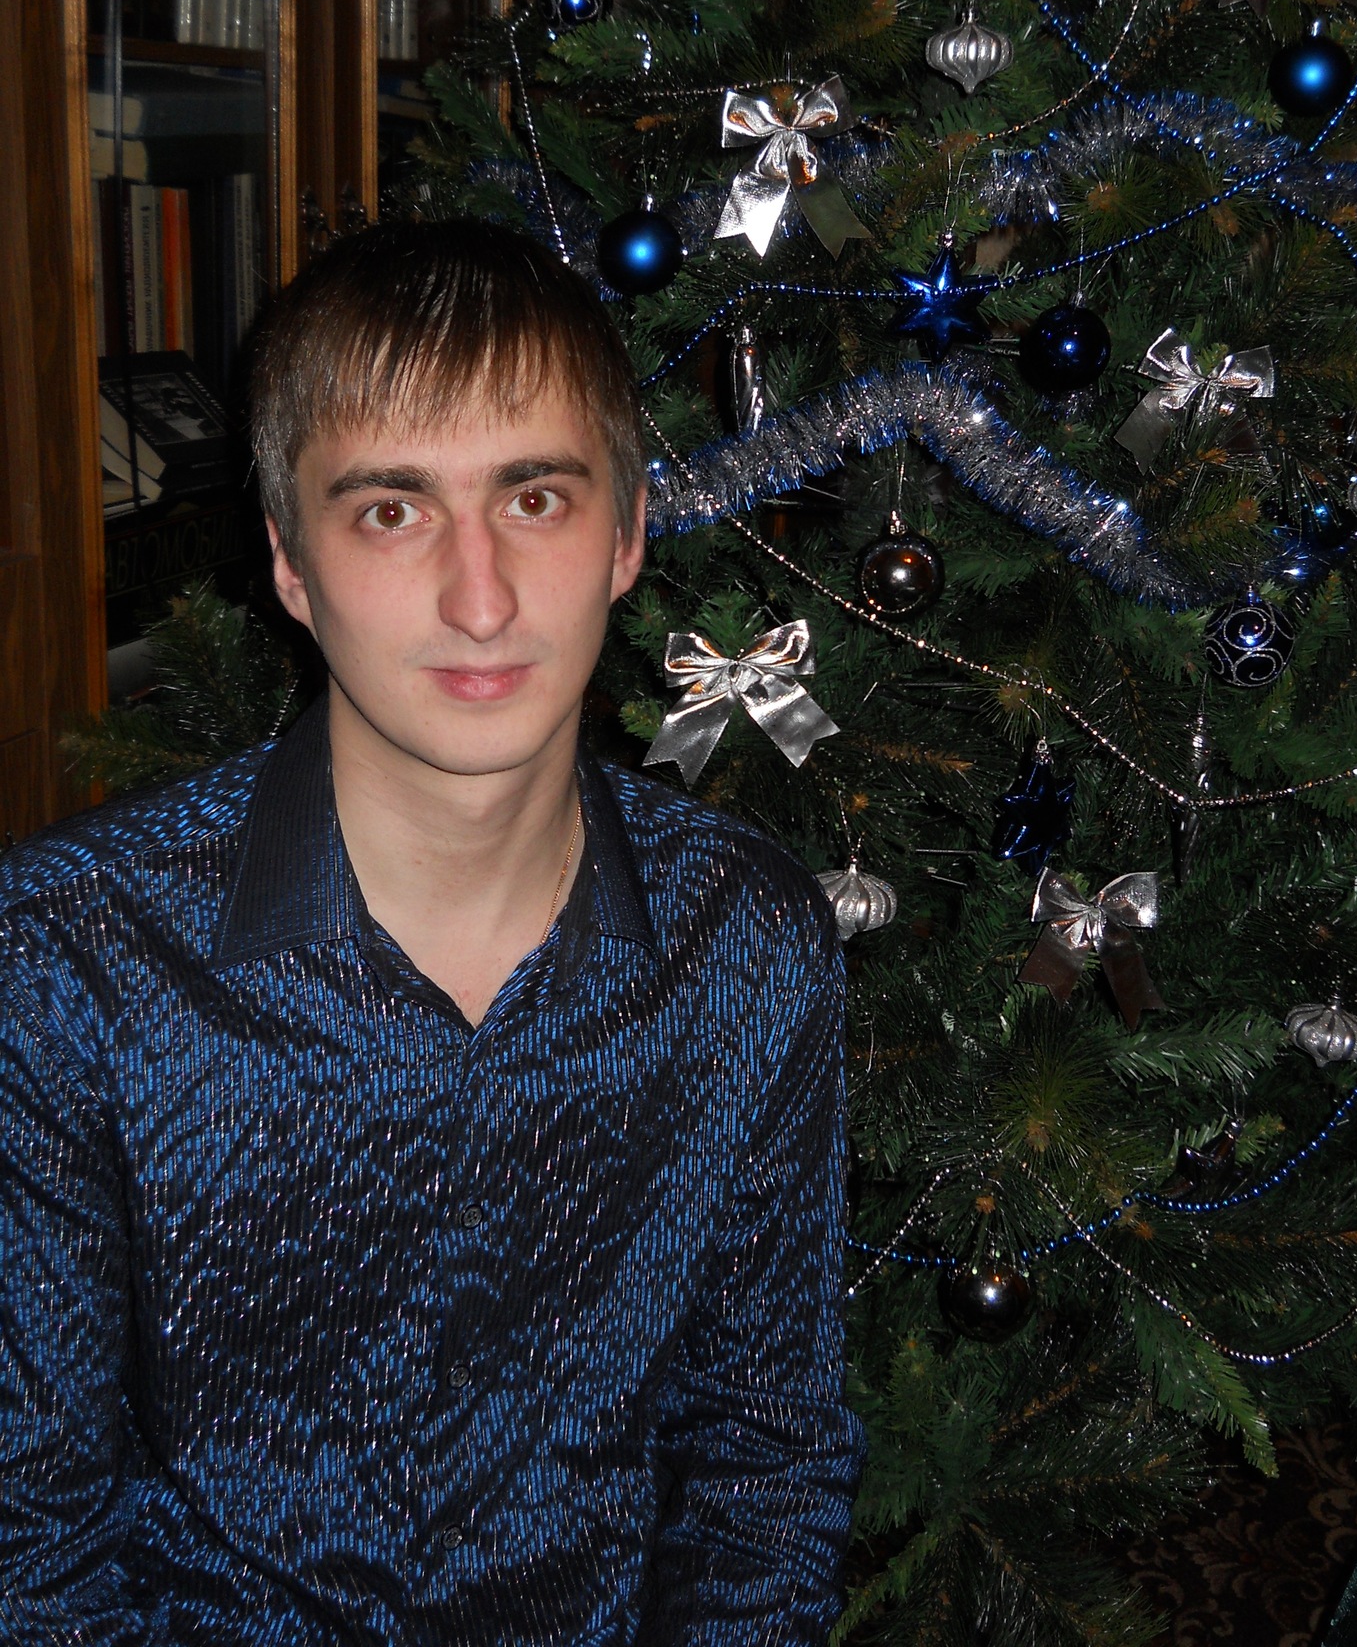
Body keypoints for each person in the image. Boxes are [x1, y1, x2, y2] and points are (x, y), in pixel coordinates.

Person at [0, 221, 862, 1644]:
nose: (481, 598)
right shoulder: (68, 958)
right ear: (290, 564)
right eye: (392, 511)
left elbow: (761, 1474)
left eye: (536, 497)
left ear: (627, 538)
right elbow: (33, 1556)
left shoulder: (746, 938)